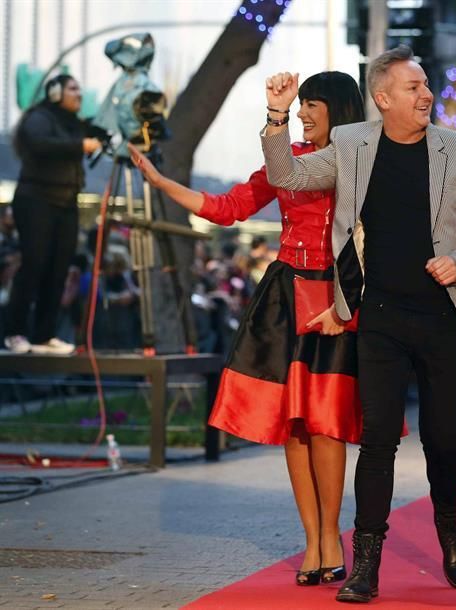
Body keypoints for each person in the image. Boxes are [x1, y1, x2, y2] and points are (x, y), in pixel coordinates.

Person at [262, 46, 456, 603]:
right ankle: (366, 562)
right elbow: (288, 174)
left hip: (446, 315)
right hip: (378, 316)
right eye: (414, 87)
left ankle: (451, 529)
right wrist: (277, 116)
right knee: (376, 441)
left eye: (426, 85)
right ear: (383, 97)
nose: (427, 95)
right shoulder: (351, 144)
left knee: (443, 439)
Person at [128, 71, 366, 587]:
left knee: (326, 425)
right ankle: (312, 542)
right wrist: (163, 184)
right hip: (284, 298)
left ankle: (332, 537)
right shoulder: (289, 159)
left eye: (312, 104)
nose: (303, 113)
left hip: (339, 296)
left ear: (339, 108)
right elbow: (228, 207)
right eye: (300, 104)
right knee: (295, 427)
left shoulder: (363, 160)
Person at [3, 74, 102, 354]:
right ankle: (14, 332)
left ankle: (44, 335)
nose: (78, 93)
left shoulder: (75, 124)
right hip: (36, 200)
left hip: (67, 202)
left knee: (59, 269)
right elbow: (40, 143)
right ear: (55, 92)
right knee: (34, 263)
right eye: (72, 88)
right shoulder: (40, 117)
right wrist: (79, 146)